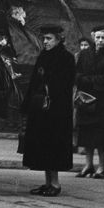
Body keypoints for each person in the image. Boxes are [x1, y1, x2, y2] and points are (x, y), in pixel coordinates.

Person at [20, 24, 76, 197]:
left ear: (58, 40)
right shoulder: (43, 56)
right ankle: (47, 182)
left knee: (54, 147)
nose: (45, 42)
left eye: (49, 38)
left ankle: (55, 183)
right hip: (41, 109)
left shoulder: (66, 58)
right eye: (44, 38)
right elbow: (34, 81)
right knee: (43, 147)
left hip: (56, 111)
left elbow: (65, 84)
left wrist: (48, 81)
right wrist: (28, 104)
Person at [73, 25, 104, 178]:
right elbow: (76, 73)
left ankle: (101, 165)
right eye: (98, 37)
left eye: (103, 37)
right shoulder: (85, 54)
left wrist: (89, 80)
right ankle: (88, 164)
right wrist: (83, 80)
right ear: (93, 37)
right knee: (86, 133)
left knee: (100, 135)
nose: (100, 40)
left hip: (102, 101)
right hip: (85, 100)